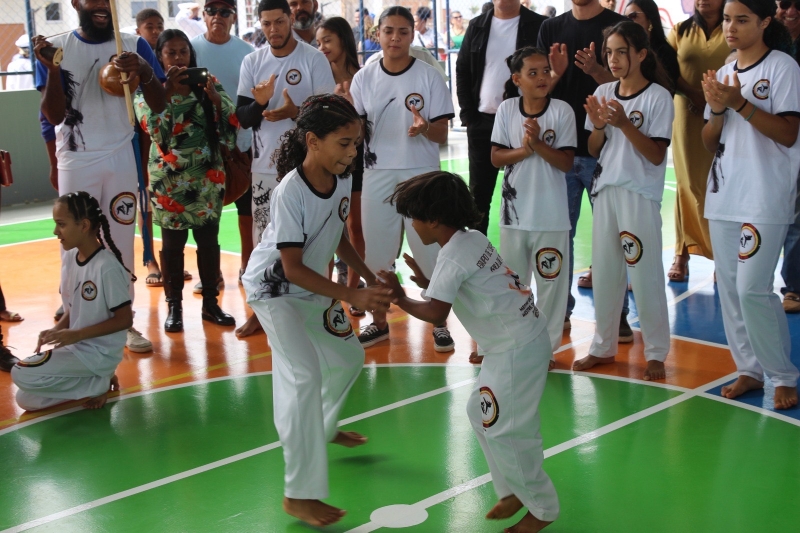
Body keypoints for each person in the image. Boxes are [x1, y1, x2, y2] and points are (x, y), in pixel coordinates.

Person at [378, 171, 560, 533]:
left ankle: (543, 509)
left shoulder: (453, 256)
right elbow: (467, 285)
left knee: (506, 429)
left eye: (414, 218)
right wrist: (429, 283)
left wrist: (400, 298)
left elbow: (436, 313)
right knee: (480, 413)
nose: (412, 225)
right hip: (521, 339)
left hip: (515, 349)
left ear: (433, 219)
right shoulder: (471, 239)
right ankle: (511, 490)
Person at [241, 95, 391, 527]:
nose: (352, 152)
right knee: (304, 376)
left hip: (310, 288)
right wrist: (351, 297)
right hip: (274, 292)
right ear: (313, 141)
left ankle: (321, 426)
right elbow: (291, 268)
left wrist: (367, 278)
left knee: (348, 357)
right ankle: (298, 494)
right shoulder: (290, 191)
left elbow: (337, 233)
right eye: (344, 143)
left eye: (356, 143)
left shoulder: (341, 177)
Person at [33, 0, 168, 354]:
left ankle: (123, 321)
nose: (101, 5)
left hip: (120, 155)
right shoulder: (57, 47)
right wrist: (52, 70)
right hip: (76, 159)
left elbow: (160, 104)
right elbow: (53, 116)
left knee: (119, 240)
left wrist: (144, 69)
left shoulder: (133, 45)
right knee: (72, 241)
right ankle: (73, 319)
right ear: (75, 3)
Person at [700, 0, 800, 409]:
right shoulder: (724, 71)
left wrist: (740, 103)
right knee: (730, 290)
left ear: (764, 22)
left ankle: (783, 375)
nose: (731, 27)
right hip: (724, 195)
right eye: (727, 19)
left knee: (752, 288)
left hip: (764, 195)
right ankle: (749, 369)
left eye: (742, 20)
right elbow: (710, 141)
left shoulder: (782, 67)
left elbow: (789, 133)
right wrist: (718, 109)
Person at [347, 6, 456, 351]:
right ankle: (379, 322)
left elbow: (442, 133)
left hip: (421, 175)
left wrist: (425, 127)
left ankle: (439, 322)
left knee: (429, 252)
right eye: (388, 31)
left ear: (412, 35)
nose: (395, 38)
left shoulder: (429, 76)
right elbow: (357, 132)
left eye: (403, 32)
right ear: (377, 34)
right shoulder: (364, 78)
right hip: (377, 173)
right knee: (377, 253)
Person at [575, 21, 674, 381]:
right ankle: (603, 346)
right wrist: (600, 125)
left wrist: (624, 124)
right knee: (604, 272)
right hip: (605, 191)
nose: (613, 59)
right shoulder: (603, 91)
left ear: (642, 54)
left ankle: (656, 352)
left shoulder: (658, 97)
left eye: (621, 52)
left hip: (638, 194)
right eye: (609, 52)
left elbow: (656, 155)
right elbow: (593, 149)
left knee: (645, 275)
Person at [235, 0, 335, 337]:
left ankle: (321, 307)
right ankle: (261, 313)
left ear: (290, 19)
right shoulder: (253, 61)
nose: (273, 30)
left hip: (309, 166)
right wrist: (261, 102)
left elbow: (328, 113)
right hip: (265, 167)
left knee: (316, 238)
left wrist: (295, 113)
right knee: (265, 242)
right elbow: (244, 118)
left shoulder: (313, 59)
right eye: (266, 24)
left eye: (279, 21)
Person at [135, 30, 238, 332]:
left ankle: (211, 304)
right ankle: (174, 308)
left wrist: (216, 100)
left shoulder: (207, 82)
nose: (179, 58)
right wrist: (167, 92)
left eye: (184, 52)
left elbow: (231, 120)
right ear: (160, 57)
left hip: (206, 178)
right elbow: (152, 128)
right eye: (171, 53)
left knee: (208, 242)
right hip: (169, 182)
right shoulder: (149, 89)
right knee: (172, 247)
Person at [537, 0, 627, 333]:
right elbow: (538, 88)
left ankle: (617, 313)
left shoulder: (617, 27)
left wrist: (597, 72)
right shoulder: (551, 28)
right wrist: (556, 73)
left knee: (612, 236)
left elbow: (628, 85)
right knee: (559, 235)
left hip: (605, 149)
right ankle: (558, 308)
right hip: (559, 149)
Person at [491, 47, 576, 361]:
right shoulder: (507, 109)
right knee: (513, 287)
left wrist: (538, 144)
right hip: (513, 218)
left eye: (545, 71)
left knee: (551, 289)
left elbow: (566, 163)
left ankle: (546, 351)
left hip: (551, 218)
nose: (542, 78)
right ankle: (511, 344)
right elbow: (496, 157)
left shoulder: (562, 111)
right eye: (533, 72)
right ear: (517, 79)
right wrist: (525, 151)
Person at [11, 192, 133, 411]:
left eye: (61, 224)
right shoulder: (71, 258)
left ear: (84, 225)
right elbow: (75, 307)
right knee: (26, 400)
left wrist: (76, 335)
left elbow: (124, 320)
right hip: (78, 348)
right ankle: (96, 383)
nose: (55, 231)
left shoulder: (106, 266)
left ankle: (102, 376)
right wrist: (57, 329)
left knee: (20, 371)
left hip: (98, 353)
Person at [457, 0, 547, 236]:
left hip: (524, 121)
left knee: (526, 192)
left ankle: (526, 250)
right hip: (482, 122)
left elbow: (549, 72)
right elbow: (463, 69)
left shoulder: (539, 25)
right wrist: (468, 115)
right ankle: (476, 253)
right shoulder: (477, 25)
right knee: (478, 196)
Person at [192, 0, 256, 290]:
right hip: (202, 145)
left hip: (240, 142)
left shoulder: (247, 52)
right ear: (204, 16)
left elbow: (253, 100)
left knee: (247, 208)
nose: (217, 16)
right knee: (207, 213)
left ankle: (247, 267)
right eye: (211, 11)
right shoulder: (191, 49)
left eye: (225, 12)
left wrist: (242, 137)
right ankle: (212, 273)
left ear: (233, 17)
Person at [666, 0, 727, 281]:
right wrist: (693, 93)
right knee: (687, 183)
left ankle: (722, 256)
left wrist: (716, 99)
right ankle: (682, 252)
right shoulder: (680, 31)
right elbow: (665, 68)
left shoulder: (732, 27)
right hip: (688, 114)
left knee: (724, 183)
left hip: (728, 114)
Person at [317, 16, 368, 311]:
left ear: (343, 40)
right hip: (326, 163)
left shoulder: (363, 77)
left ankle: (353, 291)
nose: (322, 47)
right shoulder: (319, 77)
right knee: (326, 226)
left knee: (355, 227)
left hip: (356, 162)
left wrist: (352, 110)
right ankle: (324, 294)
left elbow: (367, 131)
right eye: (318, 42)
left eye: (327, 40)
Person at [134, 7, 169, 289]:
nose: (155, 31)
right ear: (138, 31)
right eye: (149, 26)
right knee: (144, 198)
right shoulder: (133, 58)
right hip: (141, 137)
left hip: (169, 140)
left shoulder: (170, 53)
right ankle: (150, 259)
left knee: (170, 199)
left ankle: (170, 258)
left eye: (159, 26)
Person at [775, 0, 800, 313]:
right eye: (784, 4)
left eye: (797, 5)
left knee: (797, 216)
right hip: (769, 142)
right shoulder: (767, 46)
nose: (790, 11)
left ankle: (793, 286)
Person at [623, 0, 679, 90]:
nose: (628, 22)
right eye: (625, 18)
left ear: (649, 19)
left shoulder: (665, 52)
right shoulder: (624, 49)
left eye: (633, 16)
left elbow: (668, 88)